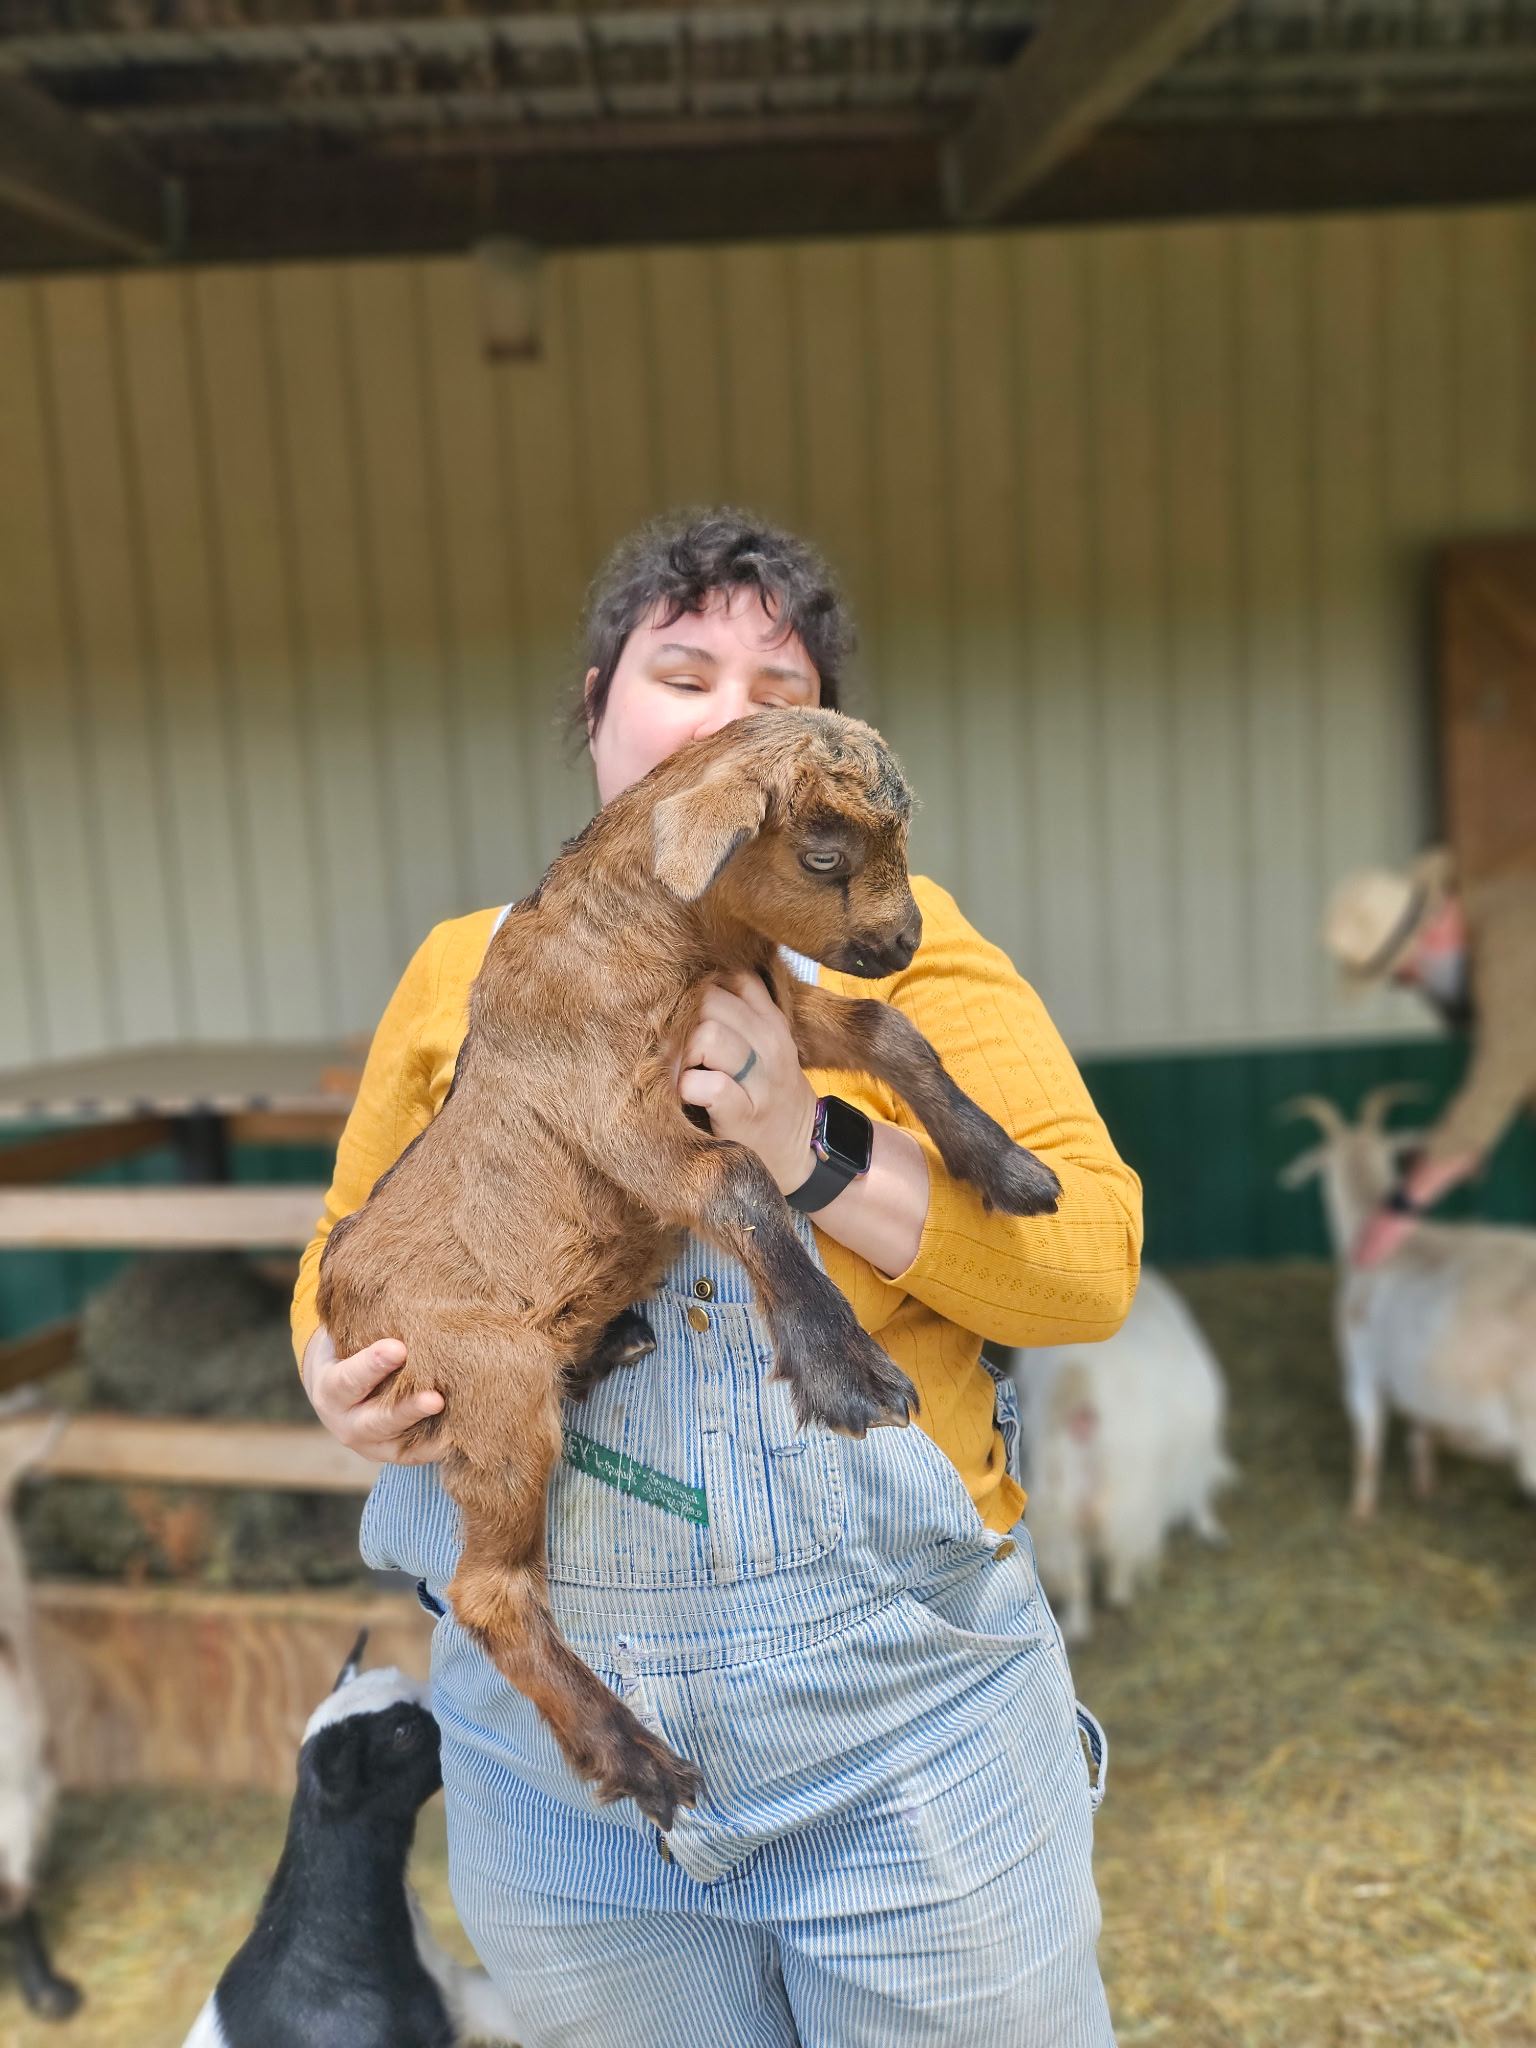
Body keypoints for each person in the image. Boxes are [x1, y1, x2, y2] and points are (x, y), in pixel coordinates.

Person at [293, 509, 1142, 2047]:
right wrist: (333, 1376)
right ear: (603, 713)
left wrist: (799, 1131)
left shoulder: (904, 954)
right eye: (683, 669)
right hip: (564, 1804)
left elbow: (1085, 1277)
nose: (735, 709)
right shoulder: (470, 966)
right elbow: (345, 1247)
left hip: (901, 1754)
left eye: (783, 678)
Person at [1322, 848, 1536, 1267]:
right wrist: (1452, 1147)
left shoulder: (1513, 940)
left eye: (1403, 974)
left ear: (1428, 933)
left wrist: (1399, 1209)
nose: (1409, 986)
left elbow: (1502, 1069)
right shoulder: (1489, 935)